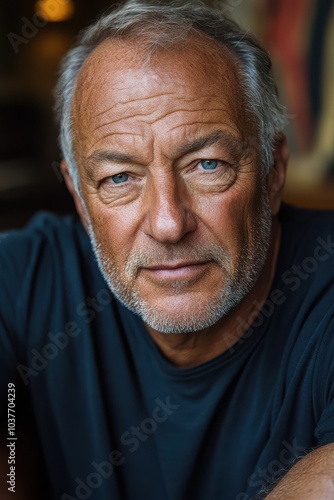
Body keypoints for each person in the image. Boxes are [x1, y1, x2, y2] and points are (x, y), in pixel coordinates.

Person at [1, 1, 334, 498]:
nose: (167, 223)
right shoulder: (25, 278)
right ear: (79, 196)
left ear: (272, 172)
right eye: (119, 178)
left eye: (206, 165)